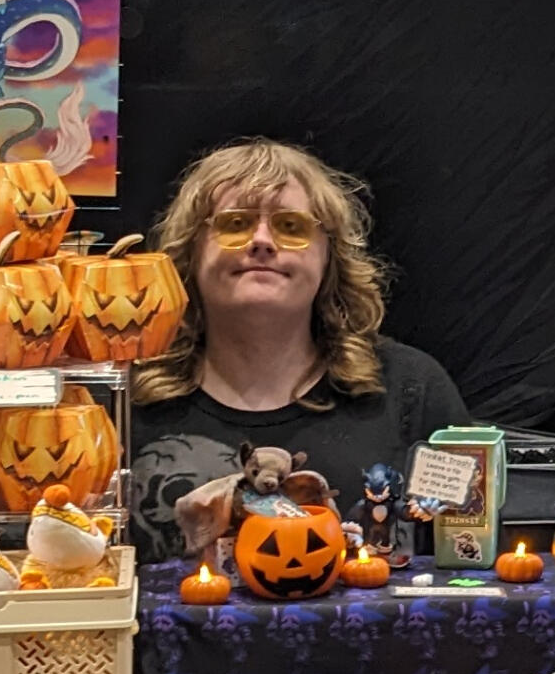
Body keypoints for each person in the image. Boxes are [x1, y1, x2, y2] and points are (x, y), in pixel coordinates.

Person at [125, 139, 469, 566]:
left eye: (291, 226)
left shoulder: (411, 389)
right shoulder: (123, 400)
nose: (262, 241)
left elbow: (468, 560)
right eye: (235, 224)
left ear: (329, 258)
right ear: (190, 252)